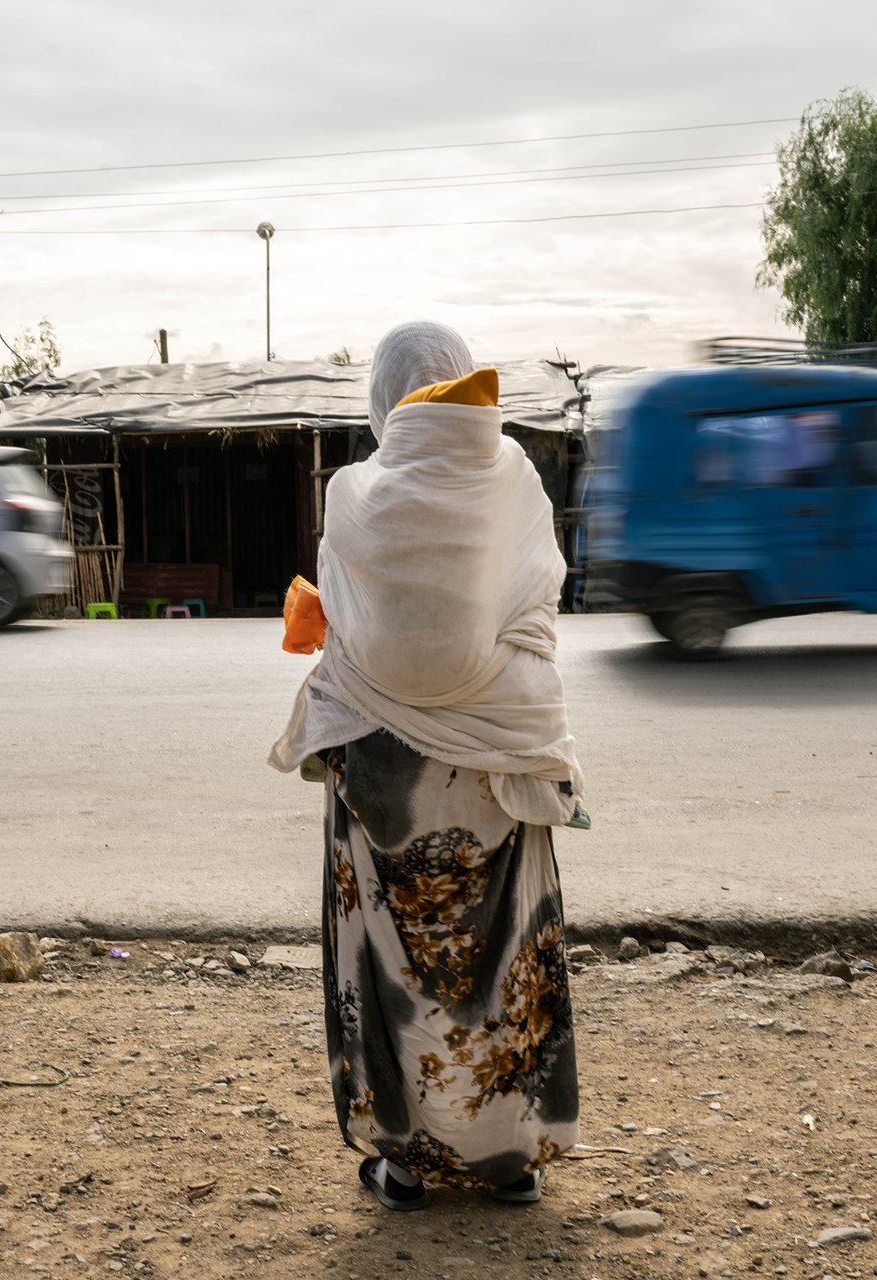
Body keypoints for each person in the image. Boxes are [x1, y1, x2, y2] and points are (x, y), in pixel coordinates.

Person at [270, 321, 584, 1211]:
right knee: (504, 951)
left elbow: (353, 628)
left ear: (386, 397)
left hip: (382, 766)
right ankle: (511, 1160)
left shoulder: (353, 493)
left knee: (385, 954)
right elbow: (533, 606)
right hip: (499, 747)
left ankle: (404, 1162)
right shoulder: (513, 479)